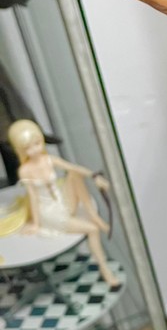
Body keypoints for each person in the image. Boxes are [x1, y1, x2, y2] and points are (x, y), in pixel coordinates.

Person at [8, 118, 120, 287]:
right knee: (92, 229)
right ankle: (104, 268)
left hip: (62, 202)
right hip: (48, 212)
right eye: (28, 148)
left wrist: (94, 176)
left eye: (37, 143)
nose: (35, 150)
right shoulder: (25, 170)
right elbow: (33, 197)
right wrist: (36, 224)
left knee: (74, 175)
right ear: (21, 150)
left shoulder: (49, 159)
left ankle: (93, 216)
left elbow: (73, 168)